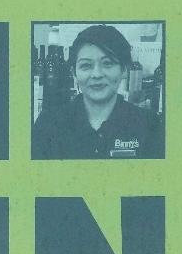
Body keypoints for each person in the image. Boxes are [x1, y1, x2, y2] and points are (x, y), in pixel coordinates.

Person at [31, 24, 164, 159]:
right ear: (74, 73)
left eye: (107, 63)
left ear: (124, 70)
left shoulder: (149, 125)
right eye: (86, 65)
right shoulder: (48, 124)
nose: (97, 74)